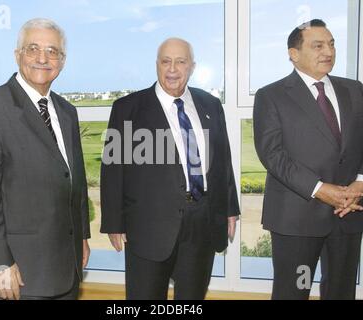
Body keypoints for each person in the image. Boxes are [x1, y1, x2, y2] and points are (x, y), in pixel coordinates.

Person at [0, 18, 90, 300]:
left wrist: (81, 238)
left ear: (63, 60)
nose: (43, 58)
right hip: (18, 275)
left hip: (66, 268)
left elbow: (74, 182)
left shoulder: (67, 112)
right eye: (33, 48)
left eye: (52, 51)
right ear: (17, 54)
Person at [100, 38, 240, 300]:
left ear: (192, 66)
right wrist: (113, 222)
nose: (172, 69)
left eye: (180, 61)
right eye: (166, 61)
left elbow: (223, 161)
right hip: (148, 225)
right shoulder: (128, 108)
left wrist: (230, 208)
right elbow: (112, 170)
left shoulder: (210, 104)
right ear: (157, 65)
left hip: (202, 221)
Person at [253, 19, 363, 300]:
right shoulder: (271, 96)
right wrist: (320, 189)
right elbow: (272, 155)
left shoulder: (355, 90)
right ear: (294, 53)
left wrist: (360, 183)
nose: (328, 51)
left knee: (341, 292)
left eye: (331, 44)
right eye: (318, 45)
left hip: (348, 213)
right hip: (297, 218)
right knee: (294, 292)